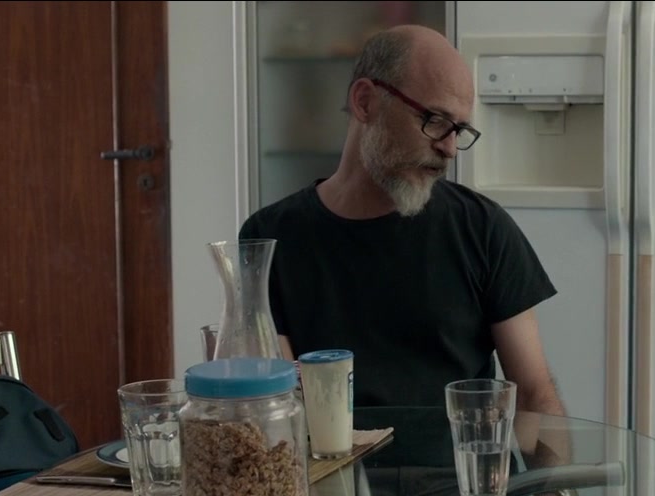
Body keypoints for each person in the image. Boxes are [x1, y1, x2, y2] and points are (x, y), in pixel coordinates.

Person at [237, 24, 568, 420]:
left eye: (459, 129)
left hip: (460, 462)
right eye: (435, 120)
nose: (449, 148)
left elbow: (533, 396)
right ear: (365, 102)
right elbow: (276, 406)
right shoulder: (270, 237)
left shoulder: (483, 228)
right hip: (329, 460)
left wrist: (552, 467)